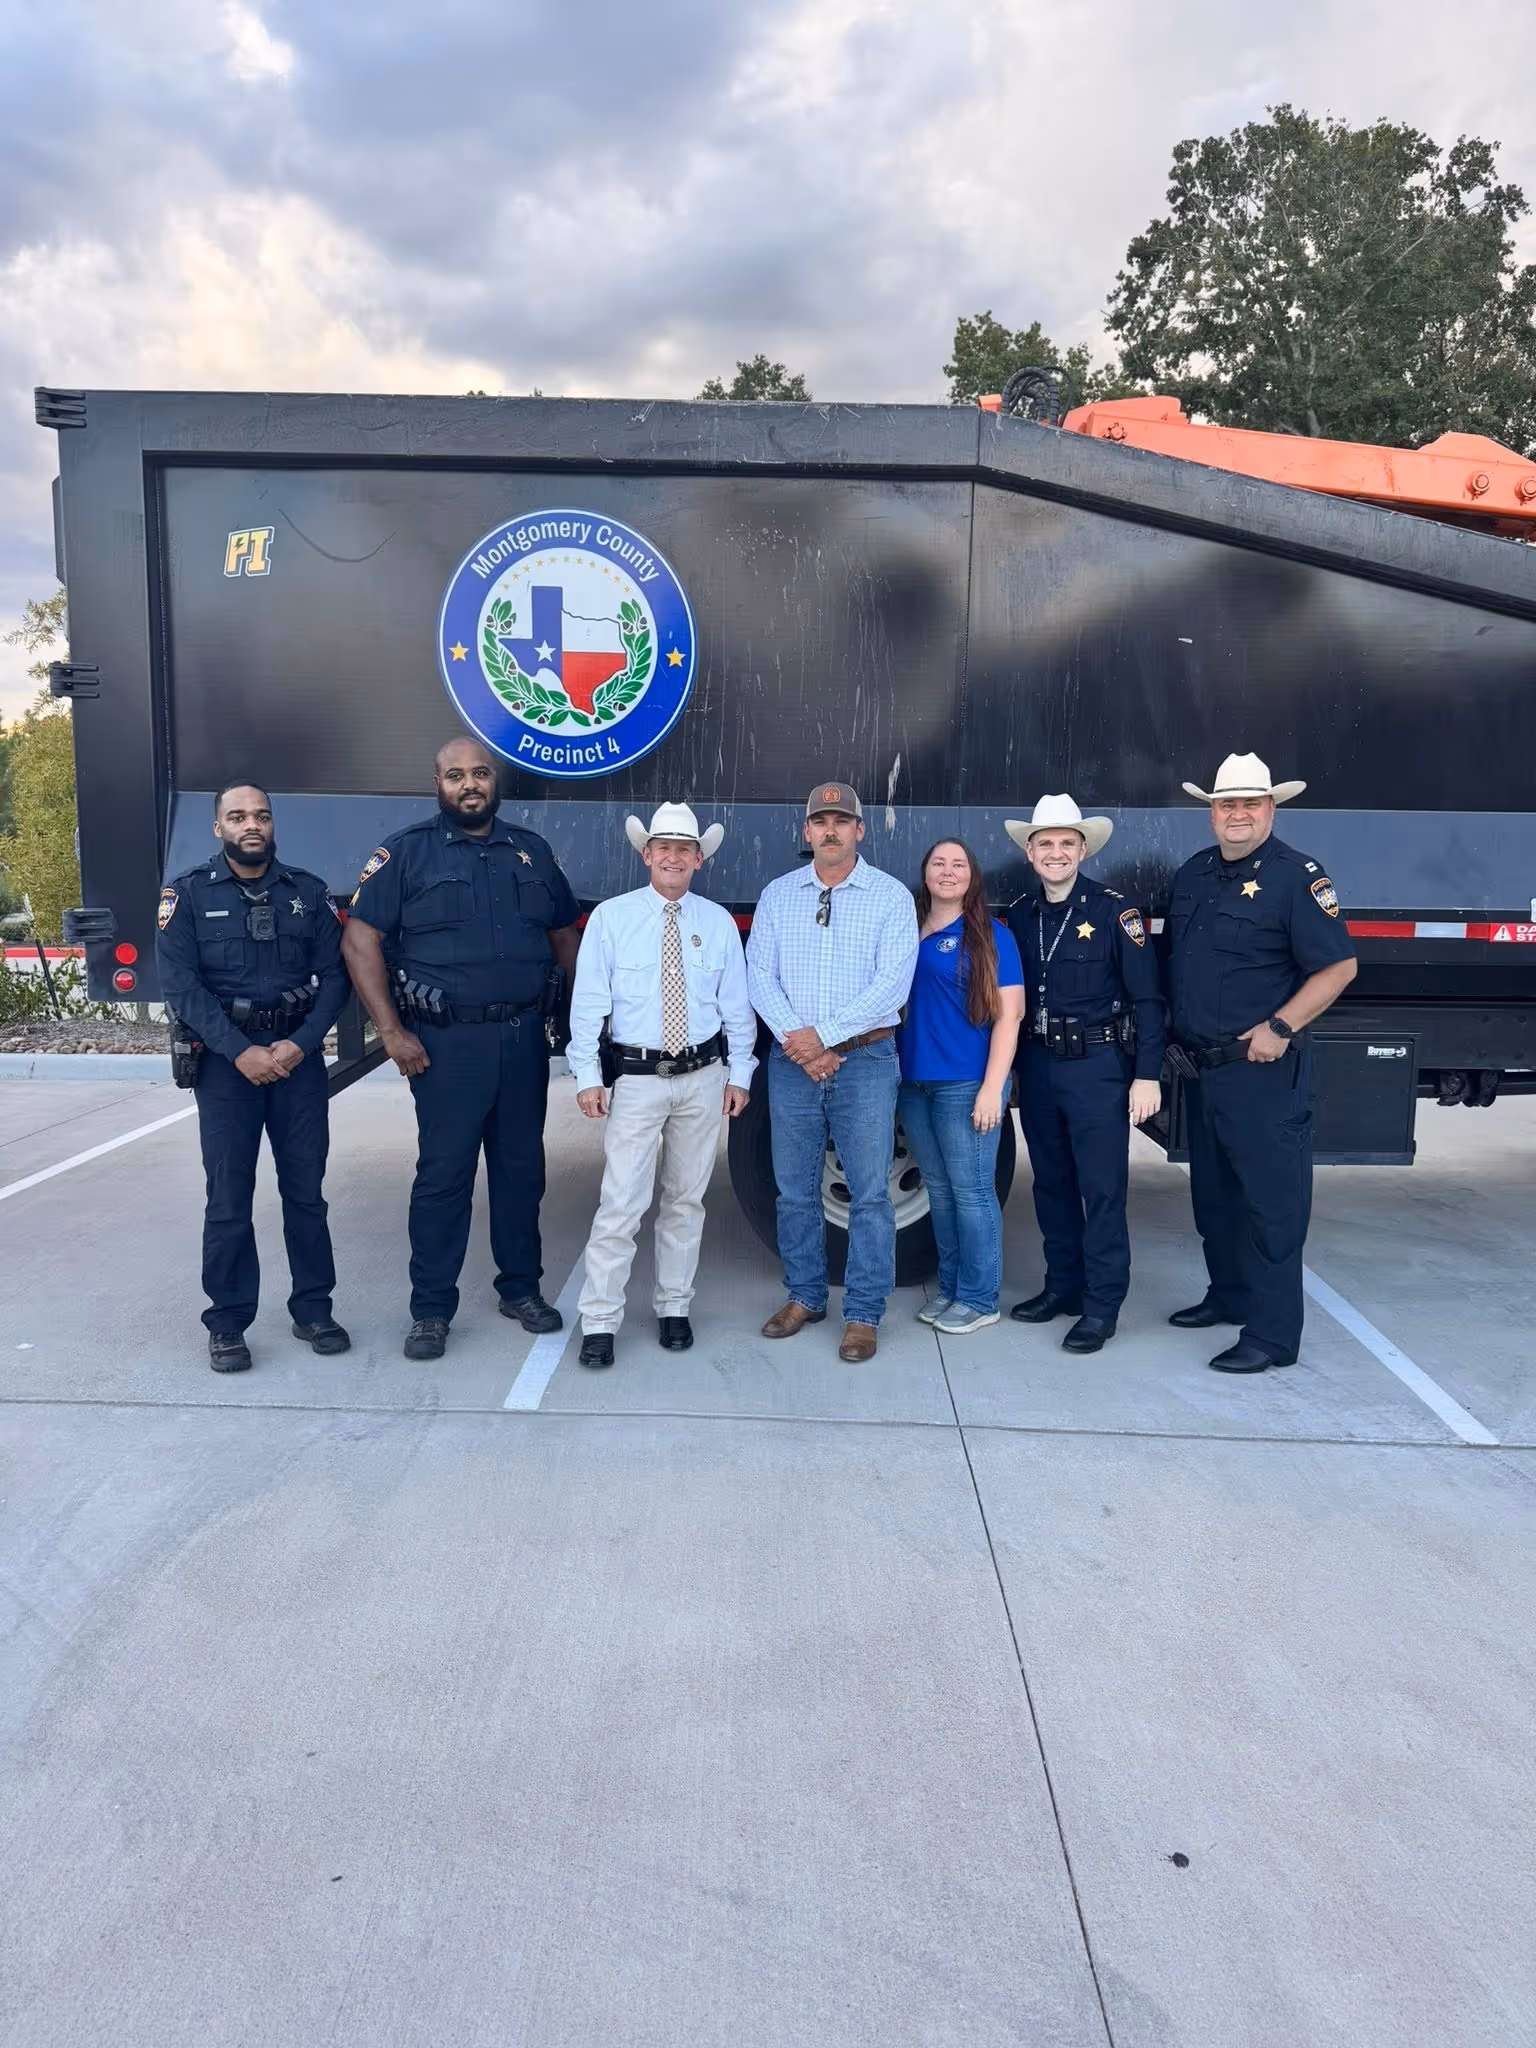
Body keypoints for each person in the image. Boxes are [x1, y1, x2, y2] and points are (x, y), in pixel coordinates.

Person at [341, 737, 581, 1360]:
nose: (469, 784)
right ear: (438, 783)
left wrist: (575, 1020)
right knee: (444, 1176)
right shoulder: (407, 854)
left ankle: (520, 1288)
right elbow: (360, 942)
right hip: (446, 1046)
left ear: (494, 782)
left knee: (521, 1170)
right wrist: (392, 1032)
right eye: (456, 775)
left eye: (479, 774)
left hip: (523, 1038)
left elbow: (564, 936)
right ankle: (431, 1310)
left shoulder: (531, 853)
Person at [1165, 753, 1357, 1372]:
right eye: (1227, 804)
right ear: (1212, 812)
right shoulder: (1195, 873)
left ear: (1272, 809)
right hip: (1202, 1069)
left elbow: (1338, 967)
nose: (1238, 814)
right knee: (1213, 1197)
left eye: (1250, 803)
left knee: (1272, 1207)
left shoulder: (1298, 877)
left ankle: (1273, 1337)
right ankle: (1229, 1296)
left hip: (1262, 1071)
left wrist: (1281, 1026)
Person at [155, 781, 350, 1372]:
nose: (251, 825)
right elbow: (181, 986)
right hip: (226, 1068)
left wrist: (300, 1043)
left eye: (260, 815)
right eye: (237, 816)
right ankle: (228, 1322)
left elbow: (336, 979)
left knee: (306, 1196)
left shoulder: (307, 895)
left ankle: (313, 1309)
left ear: (272, 825)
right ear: (218, 828)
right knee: (229, 1199)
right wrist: (240, 1051)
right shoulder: (185, 896)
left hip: (297, 1062)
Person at [566, 804, 756, 1368]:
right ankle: (600, 1319)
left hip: (701, 1078)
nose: (673, 856)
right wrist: (587, 1075)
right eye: (662, 847)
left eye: (684, 848)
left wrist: (740, 1073)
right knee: (621, 1202)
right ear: (645, 854)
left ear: (700, 859)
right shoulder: (612, 919)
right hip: (638, 1079)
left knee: (685, 1200)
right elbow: (589, 1004)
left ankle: (675, 1306)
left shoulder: (716, 922)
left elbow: (736, 1006)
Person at [745, 780, 919, 1362]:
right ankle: (805, 1297)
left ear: (859, 830)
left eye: (841, 821)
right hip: (794, 1065)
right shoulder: (778, 895)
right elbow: (759, 977)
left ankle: (864, 1313)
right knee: (794, 1191)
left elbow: (891, 987)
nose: (830, 830)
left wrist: (819, 1037)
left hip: (865, 1060)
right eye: (821, 821)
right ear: (807, 831)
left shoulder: (891, 897)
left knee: (870, 1194)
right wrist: (803, 1047)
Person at [1004, 795, 1166, 1354]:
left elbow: (1148, 999)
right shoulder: (1021, 914)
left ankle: (1101, 1307)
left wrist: (1147, 1075)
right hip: (1040, 1063)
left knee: (1101, 1190)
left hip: (1098, 1066)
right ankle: (1063, 1288)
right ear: (1030, 852)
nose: (1056, 853)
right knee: (1050, 1183)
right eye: (1045, 843)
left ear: (1083, 849)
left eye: (1066, 843)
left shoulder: (1114, 911)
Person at [897, 840, 1024, 1334]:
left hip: (965, 1083)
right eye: (938, 864)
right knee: (943, 1193)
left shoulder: (992, 936)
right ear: (925, 873)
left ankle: (980, 1297)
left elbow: (1009, 1015)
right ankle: (950, 1288)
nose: (948, 873)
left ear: (972, 876)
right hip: (915, 1084)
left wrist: (994, 1088)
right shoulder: (906, 930)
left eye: (958, 865)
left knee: (972, 1194)